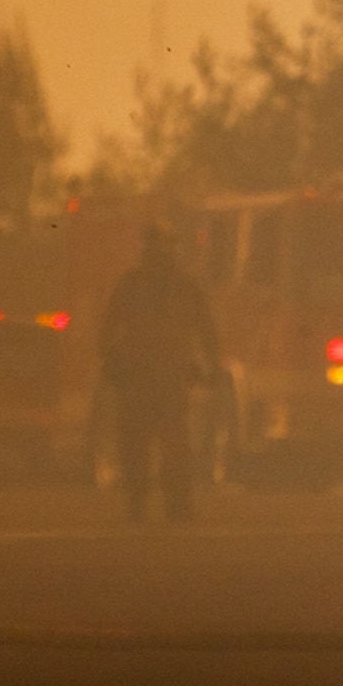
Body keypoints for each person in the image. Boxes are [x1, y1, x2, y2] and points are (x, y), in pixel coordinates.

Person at [98, 221, 221, 525]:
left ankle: (174, 507)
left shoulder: (182, 287)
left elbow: (206, 331)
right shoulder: (133, 285)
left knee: (172, 447)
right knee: (139, 447)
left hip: (166, 382)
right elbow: (107, 332)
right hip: (140, 380)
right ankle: (142, 505)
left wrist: (211, 366)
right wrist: (114, 363)